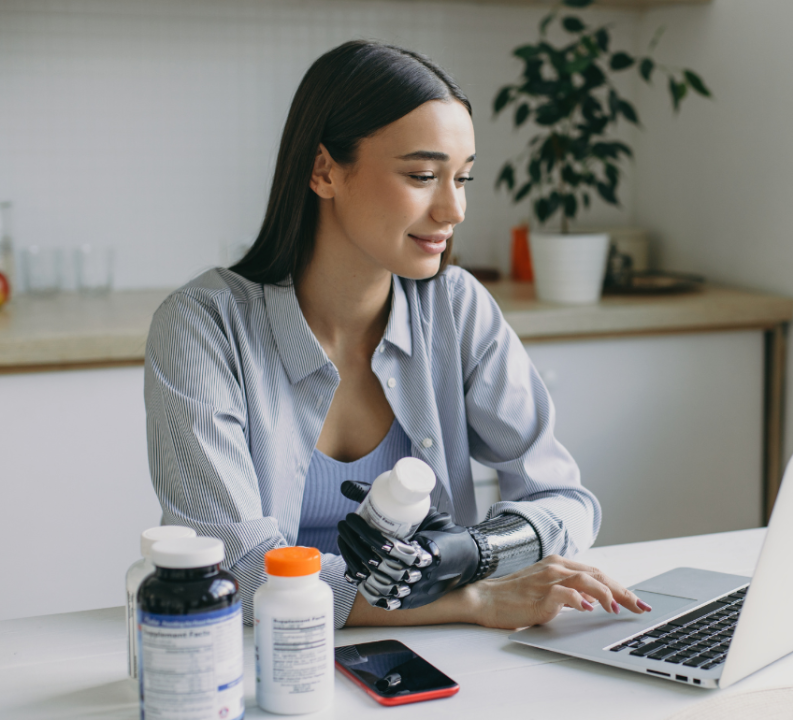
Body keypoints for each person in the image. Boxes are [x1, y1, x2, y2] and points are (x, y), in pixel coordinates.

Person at [144, 40, 651, 631]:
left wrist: (477, 551)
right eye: (423, 175)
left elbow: (564, 499)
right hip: (266, 659)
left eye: (462, 178)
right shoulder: (204, 328)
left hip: (438, 654)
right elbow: (238, 567)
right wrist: (473, 599)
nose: (454, 209)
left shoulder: (456, 308)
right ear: (324, 170)